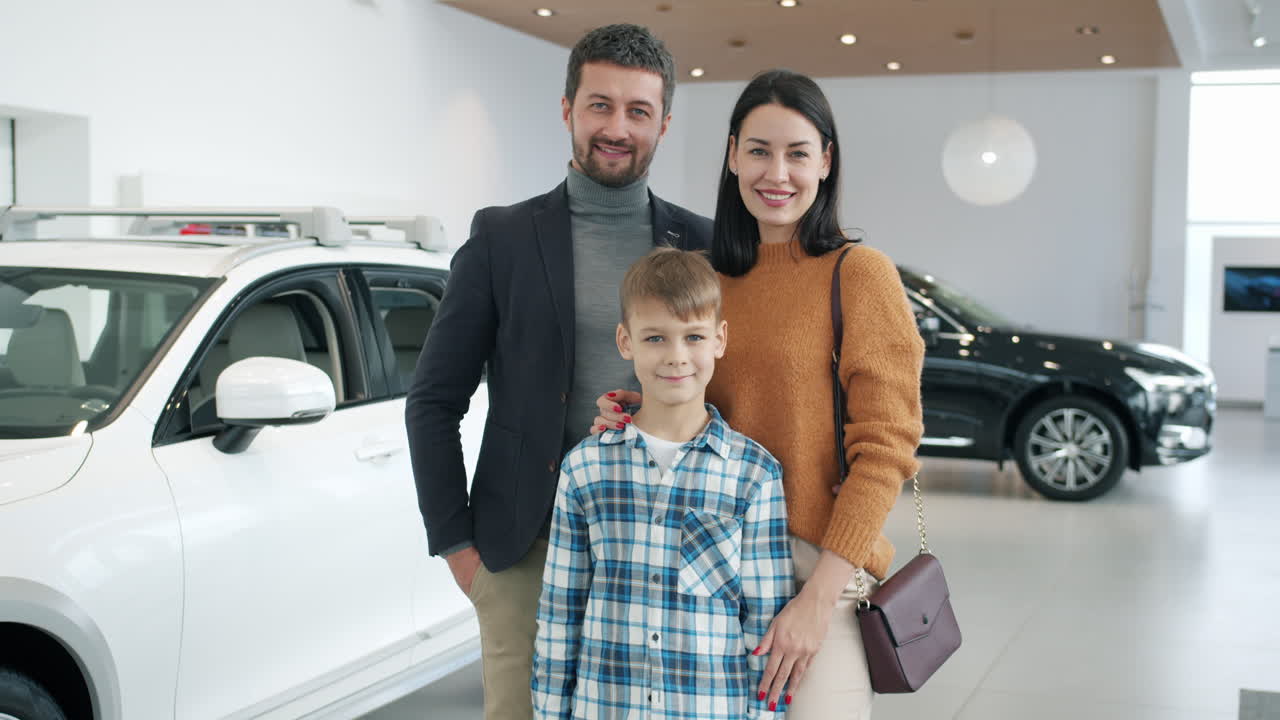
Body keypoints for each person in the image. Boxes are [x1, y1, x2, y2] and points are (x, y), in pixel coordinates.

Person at [591, 69, 925, 719]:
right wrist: (639, 413)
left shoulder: (860, 276)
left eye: (798, 153)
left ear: (825, 162)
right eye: (758, 151)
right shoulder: (707, 280)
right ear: (731, 156)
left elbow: (887, 448)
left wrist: (818, 598)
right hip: (705, 565)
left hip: (815, 567)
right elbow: (708, 409)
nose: (777, 173)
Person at [404, 24, 712, 720]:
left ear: (663, 124)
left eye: (638, 111)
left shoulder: (702, 244)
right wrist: (458, 550)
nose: (617, 128)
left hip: (665, 549)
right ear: (568, 108)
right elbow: (433, 401)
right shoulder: (503, 239)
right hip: (528, 551)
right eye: (600, 105)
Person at [533, 247, 794, 720]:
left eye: (693, 337)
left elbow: (763, 627)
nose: (676, 357)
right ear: (625, 341)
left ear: (719, 339)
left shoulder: (755, 474)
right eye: (655, 337)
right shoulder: (585, 468)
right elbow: (560, 615)